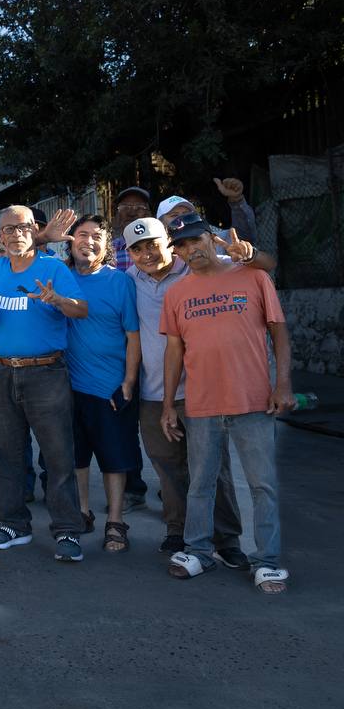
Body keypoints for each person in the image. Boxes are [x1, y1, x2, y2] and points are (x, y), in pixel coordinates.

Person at [160, 213, 293, 594]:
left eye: (195, 240)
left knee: (262, 485)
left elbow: (279, 332)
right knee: (200, 484)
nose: (190, 250)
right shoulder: (176, 294)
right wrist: (168, 405)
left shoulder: (253, 276)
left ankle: (267, 562)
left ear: (211, 238)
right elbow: (174, 351)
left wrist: (283, 384)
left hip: (253, 401)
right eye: (181, 246)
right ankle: (198, 552)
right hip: (201, 405)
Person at [125, 216, 263, 557]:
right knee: (168, 469)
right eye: (137, 249)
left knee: (214, 470)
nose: (147, 254)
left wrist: (248, 254)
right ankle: (178, 531)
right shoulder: (129, 280)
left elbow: (252, 266)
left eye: (153, 245)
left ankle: (227, 539)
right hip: (154, 394)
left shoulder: (197, 267)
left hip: (203, 392)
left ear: (169, 244)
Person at [0, 206, 89, 562]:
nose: (15, 235)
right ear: (0, 235)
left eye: (23, 228)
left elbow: (81, 309)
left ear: (34, 229)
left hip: (46, 373)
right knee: (6, 457)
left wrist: (58, 300)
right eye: (8, 230)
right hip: (1, 373)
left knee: (58, 458)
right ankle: (13, 525)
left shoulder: (53, 268)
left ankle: (67, 530)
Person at [63, 215, 140, 552]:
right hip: (68, 387)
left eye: (97, 236)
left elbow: (133, 335)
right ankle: (82, 512)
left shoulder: (119, 282)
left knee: (114, 458)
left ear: (107, 244)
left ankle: (115, 521)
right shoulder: (60, 277)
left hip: (109, 387)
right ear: (71, 241)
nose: (89, 241)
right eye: (82, 234)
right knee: (76, 457)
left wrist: (129, 381)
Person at [109, 187, 152, 272]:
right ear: (118, 214)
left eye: (139, 207)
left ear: (147, 213)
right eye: (125, 207)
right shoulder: (109, 250)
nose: (131, 213)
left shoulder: (157, 247)